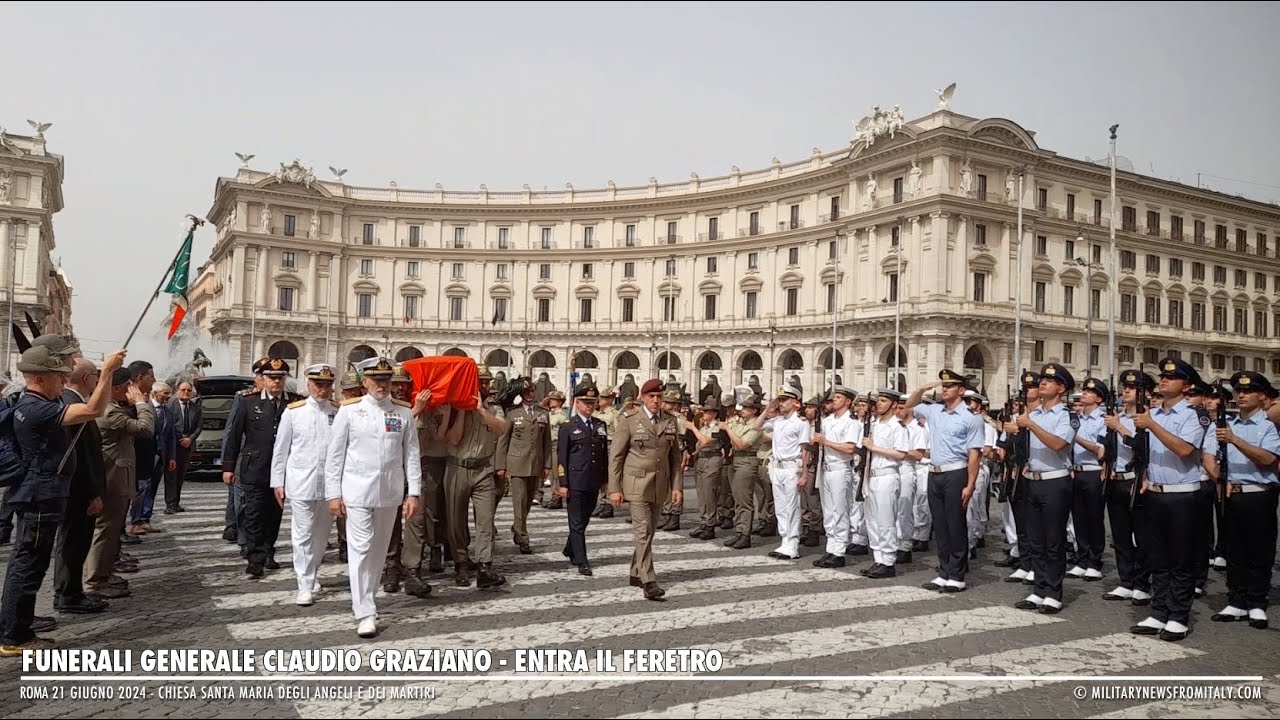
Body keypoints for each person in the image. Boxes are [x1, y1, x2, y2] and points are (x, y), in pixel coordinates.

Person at [0, 346, 123, 656]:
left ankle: (15, 626)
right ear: (41, 378)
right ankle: (15, 635)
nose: (63, 381)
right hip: (40, 496)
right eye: (58, 376)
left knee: (27, 562)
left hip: (39, 494)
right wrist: (108, 372)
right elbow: (93, 410)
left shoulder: (34, 402)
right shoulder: (37, 408)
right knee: (28, 565)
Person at [324, 357, 422, 638]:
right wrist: (333, 494)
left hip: (389, 491)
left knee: (378, 551)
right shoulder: (349, 411)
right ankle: (364, 611)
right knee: (361, 549)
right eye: (377, 380)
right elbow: (335, 455)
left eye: (386, 380)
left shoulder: (402, 412)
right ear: (365, 382)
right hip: (357, 490)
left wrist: (413, 492)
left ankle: (367, 598)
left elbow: (411, 454)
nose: (382, 385)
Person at [1130, 358, 1211, 642]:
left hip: (1183, 494)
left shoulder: (1193, 415)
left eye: (1172, 377)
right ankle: (1159, 611)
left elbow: (1185, 450)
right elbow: (1144, 453)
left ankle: (1178, 616)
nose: (1164, 380)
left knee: (1181, 558)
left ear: (1186, 386)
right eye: (1163, 376)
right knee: (1158, 557)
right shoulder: (1152, 414)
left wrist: (1152, 425)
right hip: (1155, 491)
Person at [1207, 371, 1279, 630]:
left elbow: (1268, 459)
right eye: (1239, 391)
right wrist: (1219, 478)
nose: (1242, 395)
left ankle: (1256, 601)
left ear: (1261, 396)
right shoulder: (1227, 424)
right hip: (1232, 493)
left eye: (1248, 391)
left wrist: (1235, 440)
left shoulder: (1268, 426)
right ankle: (1236, 599)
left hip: (1258, 493)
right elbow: (1209, 457)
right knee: (1234, 550)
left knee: (1259, 550)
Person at [1006, 364, 1078, 614]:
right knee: (1035, 539)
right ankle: (1039, 589)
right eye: (1042, 380)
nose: (1043, 383)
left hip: (1055, 481)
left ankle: (1053, 593)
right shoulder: (1033, 414)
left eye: (1050, 381)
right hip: (1032, 479)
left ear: (1061, 388)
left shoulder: (1066, 416)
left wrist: (1030, 425)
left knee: (1053, 540)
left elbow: (1058, 444)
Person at [906, 369, 985, 593]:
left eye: (949, 386)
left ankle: (957, 575)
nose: (945, 389)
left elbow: (974, 455)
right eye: (943, 386)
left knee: (955, 524)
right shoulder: (934, 411)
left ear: (961, 390)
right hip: (935, 472)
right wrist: (923, 388)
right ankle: (944, 571)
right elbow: (909, 406)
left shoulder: (971, 418)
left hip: (956, 472)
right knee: (940, 525)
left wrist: (970, 484)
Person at [271, 364, 340, 606]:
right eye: (318, 385)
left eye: (327, 385)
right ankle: (304, 584)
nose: (323, 390)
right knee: (302, 534)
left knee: (321, 536)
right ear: (308, 384)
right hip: (301, 481)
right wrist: (277, 481)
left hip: (329, 485)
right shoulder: (294, 412)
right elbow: (281, 449)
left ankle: (312, 573)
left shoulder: (338, 412)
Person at [609, 378, 683, 600]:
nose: (656, 400)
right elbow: (616, 456)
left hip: (659, 485)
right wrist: (614, 488)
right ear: (642, 397)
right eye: (651, 396)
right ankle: (648, 580)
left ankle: (635, 572)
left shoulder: (670, 421)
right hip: (636, 484)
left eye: (659, 397)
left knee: (649, 531)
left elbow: (675, 458)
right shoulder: (630, 420)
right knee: (642, 532)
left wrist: (676, 486)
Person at [222, 357, 291, 578]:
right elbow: (233, 435)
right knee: (253, 513)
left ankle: (268, 550)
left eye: (280, 378)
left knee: (274, 513)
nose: (276, 382)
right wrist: (228, 467)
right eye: (272, 378)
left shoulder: (293, 403)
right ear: (263, 379)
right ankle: (255, 557)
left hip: (282, 469)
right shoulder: (247, 402)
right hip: (254, 467)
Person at [443, 364, 510, 589]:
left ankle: (484, 567)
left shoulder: (494, 407)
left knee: (485, 520)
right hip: (458, 467)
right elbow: (453, 439)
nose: (484, 386)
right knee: (456, 520)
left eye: (486, 382)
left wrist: (481, 411)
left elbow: (501, 429)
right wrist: (464, 409)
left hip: (483, 469)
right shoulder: (455, 406)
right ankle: (461, 563)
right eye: (479, 381)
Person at [53, 357, 109, 615]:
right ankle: (69, 594)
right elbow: (82, 457)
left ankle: (70, 591)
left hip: (76, 489)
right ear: (87, 379)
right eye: (95, 377)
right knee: (73, 543)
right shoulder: (72, 404)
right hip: (78, 490)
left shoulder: (70, 401)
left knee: (74, 541)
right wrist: (92, 493)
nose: (96, 381)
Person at [1102, 370, 1154, 606]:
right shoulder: (1118, 416)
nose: (1126, 391)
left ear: (1145, 393)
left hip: (1137, 479)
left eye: (1132, 388)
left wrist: (1120, 428)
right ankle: (1126, 581)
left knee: (1141, 535)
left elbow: (1141, 447)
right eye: (1126, 387)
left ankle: (1142, 584)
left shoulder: (1148, 419)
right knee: (1121, 535)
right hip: (1117, 479)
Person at [753, 386, 811, 562]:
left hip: (792, 467)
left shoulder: (801, 422)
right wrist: (767, 408)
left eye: (785, 400)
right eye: (779, 400)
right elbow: (756, 426)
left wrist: (804, 474)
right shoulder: (777, 421)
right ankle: (784, 540)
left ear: (795, 402)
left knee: (792, 506)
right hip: (776, 467)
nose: (781, 403)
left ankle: (792, 544)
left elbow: (805, 450)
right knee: (780, 507)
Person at [495, 377, 552, 555]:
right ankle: (523, 537)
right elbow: (503, 441)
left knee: (528, 501)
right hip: (517, 463)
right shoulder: (512, 413)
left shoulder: (542, 413)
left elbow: (547, 441)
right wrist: (500, 465)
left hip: (536, 463)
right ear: (520, 393)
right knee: (519, 501)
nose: (529, 394)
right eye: (526, 391)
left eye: (532, 391)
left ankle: (517, 526)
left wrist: (547, 465)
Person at [557, 381, 608, 575]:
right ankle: (582, 561)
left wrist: (605, 479)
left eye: (592, 402)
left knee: (585, 518)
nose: (589, 406)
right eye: (585, 402)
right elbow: (562, 457)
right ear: (577, 403)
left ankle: (570, 548)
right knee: (576, 522)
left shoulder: (600, 425)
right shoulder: (568, 427)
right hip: (575, 480)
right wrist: (563, 483)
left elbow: (603, 455)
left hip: (593, 480)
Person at [808, 385, 859, 568]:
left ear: (847, 401)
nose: (834, 400)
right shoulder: (827, 421)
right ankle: (830, 548)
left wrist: (826, 441)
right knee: (828, 512)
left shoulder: (851, 422)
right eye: (834, 397)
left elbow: (850, 448)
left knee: (840, 510)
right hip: (826, 468)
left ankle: (839, 551)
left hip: (840, 468)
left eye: (838, 398)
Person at [167, 380, 200, 514]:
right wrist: (179, 438)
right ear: (177, 391)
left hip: (187, 446)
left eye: (189, 390)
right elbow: (169, 425)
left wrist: (190, 439)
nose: (186, 392)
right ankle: (170, 504)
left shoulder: (195, 407)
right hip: (173, 445)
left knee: (181, 475)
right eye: (183, 390)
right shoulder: (170, 405)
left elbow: (199, 426)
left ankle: (176, 502)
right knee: (171, 476)